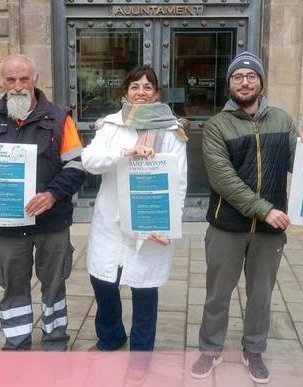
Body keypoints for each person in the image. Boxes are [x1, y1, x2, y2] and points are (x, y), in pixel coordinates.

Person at [191, 52, 302, 383]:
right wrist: (264, 209)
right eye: (237, 77)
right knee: (217, 295)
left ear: (261, 82)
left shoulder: (282, 120)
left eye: (250, 76)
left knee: (261, 296)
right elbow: (223, 179)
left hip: (270, 231)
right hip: (228, 226)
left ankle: (254, 350)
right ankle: (210, 349)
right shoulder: (216, 125)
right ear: (229, 84)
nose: (244, 82)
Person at [0, 54, 85, 350]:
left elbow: (78, 167)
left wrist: (52, 194)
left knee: (54, 286)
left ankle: (55, 342)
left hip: (52, 222)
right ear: (2, 81)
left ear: (36, 80)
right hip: (9, 223)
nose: (17, 86)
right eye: (10, 80)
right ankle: (17, 344)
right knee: (13, 286)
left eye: (24, 79)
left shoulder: (60, 116)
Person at [81, 65, 187, 358]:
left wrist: (168, 225)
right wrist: (123, 154)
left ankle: (141, 356)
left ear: (157, 94)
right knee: (103, 282)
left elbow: (179, 181)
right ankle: (111, 337)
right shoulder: (112, 126)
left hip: (150, 220)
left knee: (144, 289)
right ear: (125, 92)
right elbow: (89, 160)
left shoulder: (171, 129)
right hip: (110, 223)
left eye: (147, 87)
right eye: (135, 87)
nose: (141, 92)